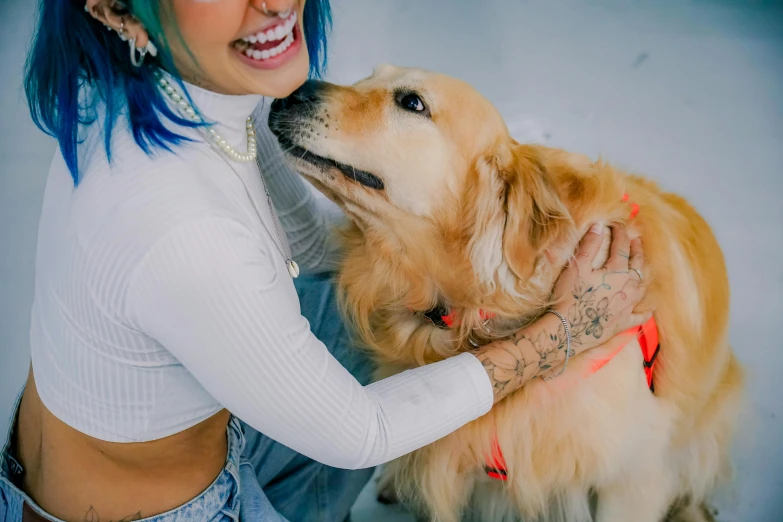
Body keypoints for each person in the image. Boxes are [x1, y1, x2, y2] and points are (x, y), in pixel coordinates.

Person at [0, 1, 649, 521]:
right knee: (391, 340)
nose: (278, 4)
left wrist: (480, 222)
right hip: (176, 512)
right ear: (119, 10)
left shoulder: (151, 93)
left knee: (386, 308)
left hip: (85, 467)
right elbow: (357, 432)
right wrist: (560, 331)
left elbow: (313, 248)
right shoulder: (184, 229)